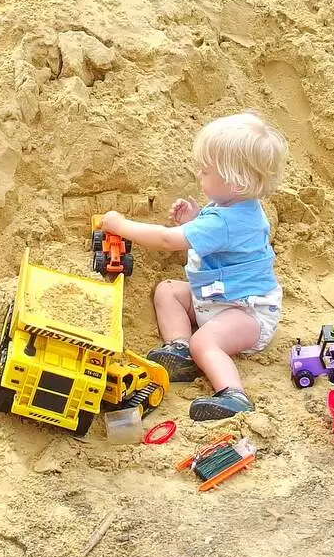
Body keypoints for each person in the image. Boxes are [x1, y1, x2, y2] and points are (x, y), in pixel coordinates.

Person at [97, 111, 286, 421]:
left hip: (247, 312)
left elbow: (167, 240)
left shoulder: (227, 219)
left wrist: (121, 224)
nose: (199, 175)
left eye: (206, 171)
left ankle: (233, 394)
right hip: (215, 298)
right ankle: (179, 348)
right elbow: (221, 239)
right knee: (167, 291)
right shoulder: (234, 206)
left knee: (206, 341)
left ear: (235, 182)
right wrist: (196, 220)